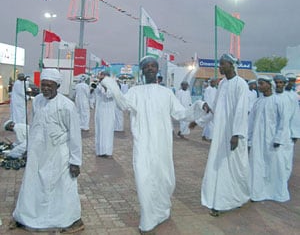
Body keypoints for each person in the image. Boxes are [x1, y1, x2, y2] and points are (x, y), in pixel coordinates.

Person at [99, 56, 210, 233]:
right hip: (142, 143)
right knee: (143, 178)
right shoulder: (135, 92)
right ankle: (147, 219)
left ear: (157, 70)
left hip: (162, 145)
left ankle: (162, 211)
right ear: (142, 70)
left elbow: (181, 114)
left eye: (153, 66)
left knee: (164, 178)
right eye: (147, 66)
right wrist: (110, 84)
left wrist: (198, 105)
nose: (150, 68)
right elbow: (122, 104)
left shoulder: (166, 93)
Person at [10, 69, 84, 233]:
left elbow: (75, 136)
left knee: (64, 187)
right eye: (43, 85)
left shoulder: (67, 106)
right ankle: (26, 216)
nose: (45, 89)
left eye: (49, 85)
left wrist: (75, 162)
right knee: (32, 185)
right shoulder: (37, 101)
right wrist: (29, 149)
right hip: (38, 152)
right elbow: (35, 126)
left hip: (59, 153)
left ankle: (73, 220)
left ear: (57, 85)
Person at [200, 53, 250, 217]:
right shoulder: (222, 84)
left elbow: (241, 110)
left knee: (234, 166)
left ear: (231, 65)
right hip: (220, 134)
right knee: (220, 167)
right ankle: (220, 200)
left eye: (222, 64)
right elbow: (215, 108)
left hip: (233, 135)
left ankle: (236, 197)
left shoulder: (241, 84)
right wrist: (202, 118)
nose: (219, 67)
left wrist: (236, 134)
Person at [248, 75, 289, 202]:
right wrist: (249, 140)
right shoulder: (257, 102)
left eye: (261, 84)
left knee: (275, 165)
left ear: (269, 85)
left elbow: (283, 121)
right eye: (258, 84)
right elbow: (251, 122)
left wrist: (278, 138)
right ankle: (258, 193)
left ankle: (276, 193)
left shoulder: (278, 101)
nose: (259, 86)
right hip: (257, 140)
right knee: (257, 165)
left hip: (273, 141)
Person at [274, 74, 300, 180]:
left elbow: (295, 116)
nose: (291, 83)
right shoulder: (274, 95)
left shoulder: (293, 96)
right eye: (290, 80)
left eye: (293, 81)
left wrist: (295, 133)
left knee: (286, 158)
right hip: (274, 131)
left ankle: (284, 180)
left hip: (288, 133)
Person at [95, 71, 116, 158]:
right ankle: (100, 151)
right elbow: (97, 94)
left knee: (107, 131)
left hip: (108, 112)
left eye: (103, 78)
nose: (101, 79)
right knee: (99, 130)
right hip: (100, 111)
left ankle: (107, 152)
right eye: (101, 78)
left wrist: (105, 86)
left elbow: (109, 95)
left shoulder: (113, 85)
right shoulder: (99, 85)